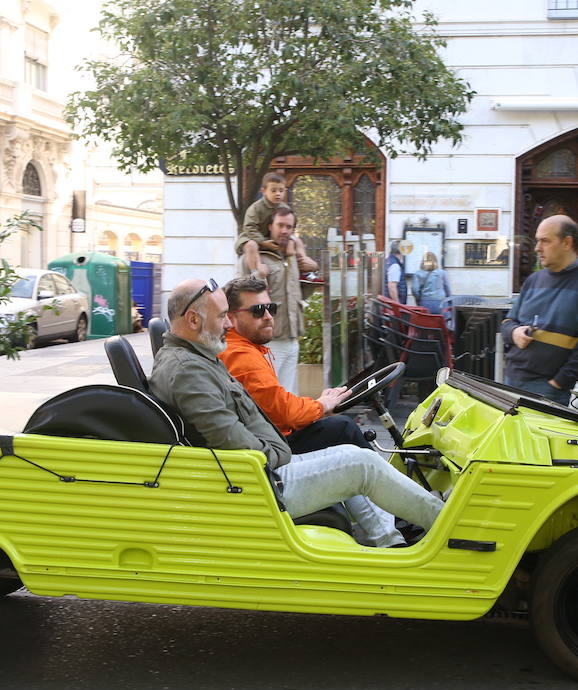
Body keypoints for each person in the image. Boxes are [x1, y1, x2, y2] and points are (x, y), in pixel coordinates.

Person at [148, 277, 444, 548]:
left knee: (350, 452)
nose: (228, 324)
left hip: (257, 473)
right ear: (193, 319)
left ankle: (390, 542)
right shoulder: (188, 370)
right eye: (222, 316)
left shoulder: (196, 358)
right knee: (361, 463)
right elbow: (236, 445)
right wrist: (278, 451)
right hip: (260, 484)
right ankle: (451, 525)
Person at [219, 276, 370, 455]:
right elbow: (286, 414)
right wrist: (321, 406)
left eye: (271, 308)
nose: (268, 317)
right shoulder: (242, 356)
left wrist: (318, 406)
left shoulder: (240, 348)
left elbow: (278, 403)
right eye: (258, 311)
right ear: (231, 317)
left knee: (337, 427)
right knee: (343, 428)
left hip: (265, 439)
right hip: (272, 447)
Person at [498, 215, 578, 406]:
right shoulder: (533, 280)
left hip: (549, 389)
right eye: (537, 240)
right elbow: (507, 322)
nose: (537, 248)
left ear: (567, 242)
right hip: (512, 380)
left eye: (545, 241)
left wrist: (560, 382)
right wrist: (515, 332)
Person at [241, 205, 316, 394]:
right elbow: (240, 294)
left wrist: (313, 274)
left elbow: (297, 293)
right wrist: (258, 274)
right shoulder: (256, 255)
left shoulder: (291, 257)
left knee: (289, 393)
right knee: (268, 394)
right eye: (280, 225)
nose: (284, 230)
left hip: (291, 337)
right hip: (268, 340)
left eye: (289, 227)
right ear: (270, 226)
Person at [234, 172, 289, 278]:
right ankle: (256, 272)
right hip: (253, 238)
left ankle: (303, 268)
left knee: (295, 242)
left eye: (281, 191)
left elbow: (290, 224)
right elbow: (249, 227)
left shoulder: (285, 209)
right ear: (263, 191)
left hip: (272, 241)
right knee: (251, 245)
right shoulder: (256, 208)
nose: (278, 194)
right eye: (273, 190)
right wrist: (263, 241)